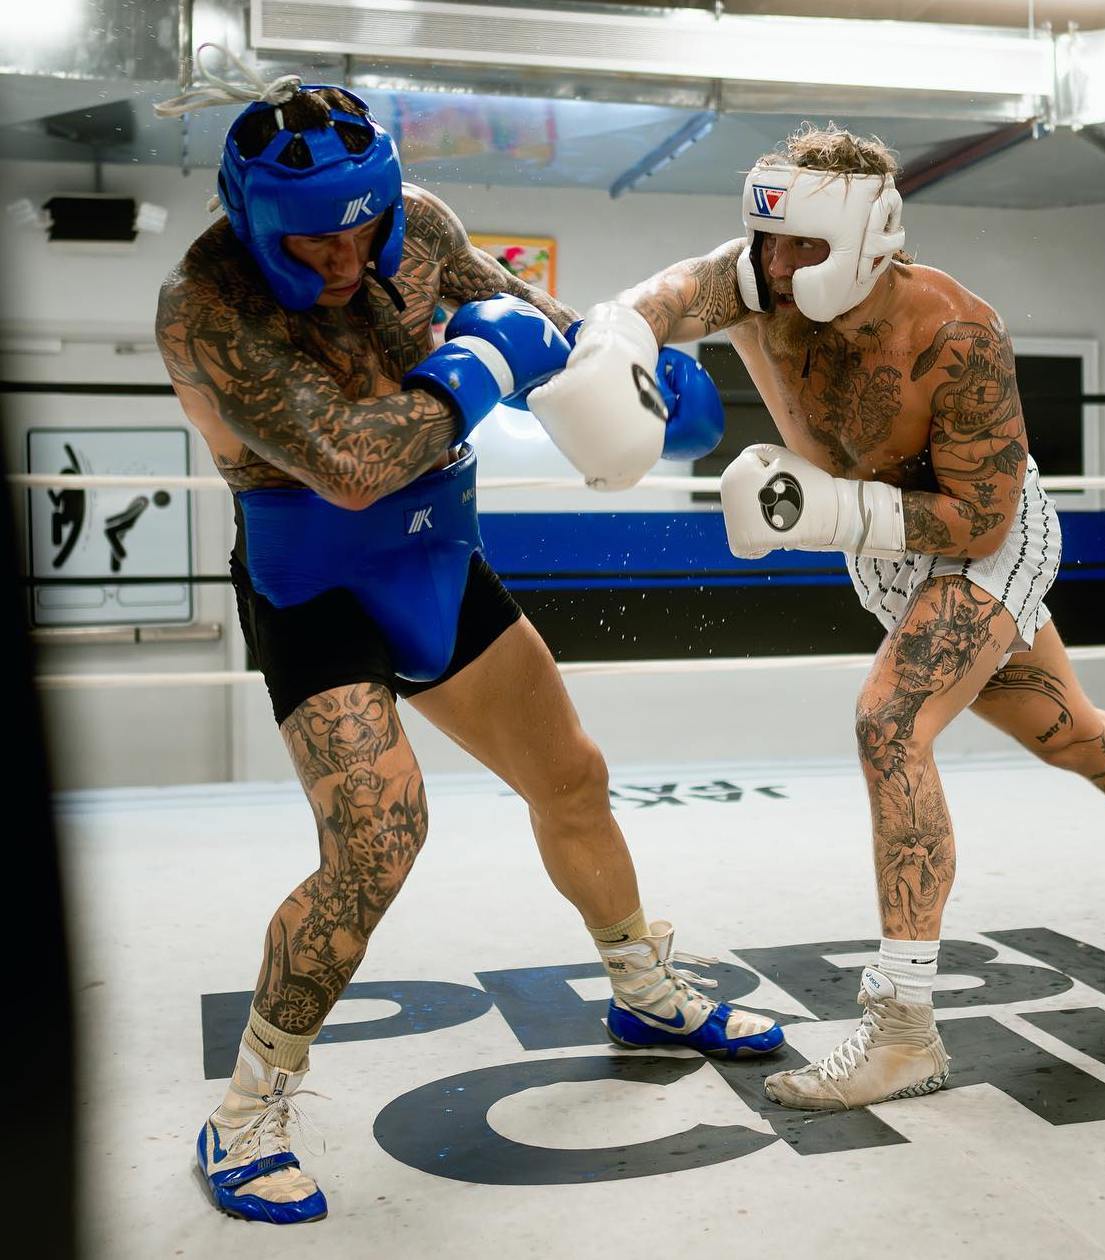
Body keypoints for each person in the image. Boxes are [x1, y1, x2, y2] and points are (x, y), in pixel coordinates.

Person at [527, 123, 1105, 1113]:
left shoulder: (957, 336)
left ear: (867, 242)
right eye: (769, 240)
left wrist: (830, 511)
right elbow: (656, 303)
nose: (777, 265)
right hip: (883, 551)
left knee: (890, 723)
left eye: (804, 245)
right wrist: (614, 349)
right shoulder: (753, 279)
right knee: (1069, 733)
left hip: (981, 536)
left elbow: (981, 518)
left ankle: (904, 1032)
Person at [153, 61, 782, 1225]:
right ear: (252, 223)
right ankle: (244, 1111)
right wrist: (480, 363)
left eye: (361, 231)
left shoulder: (426, 229)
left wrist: (632, 379)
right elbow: (347, 466)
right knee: (377, 838)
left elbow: (541, 334)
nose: (345, 260)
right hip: (315, 576)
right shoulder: (207, 306)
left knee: (572, 777)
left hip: (438, 546)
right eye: (313, 242)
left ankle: (643, 990)